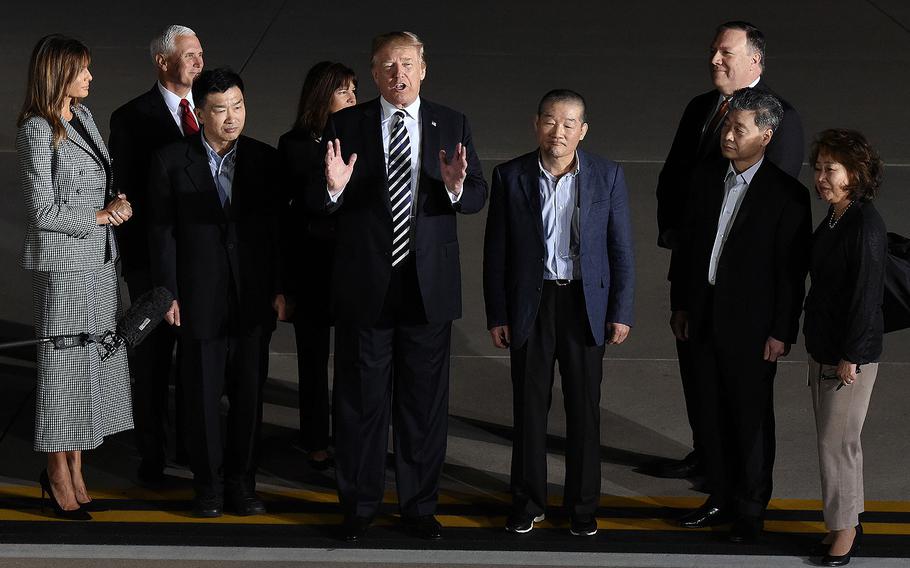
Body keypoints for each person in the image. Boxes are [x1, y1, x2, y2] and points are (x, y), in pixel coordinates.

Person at [312, 31, 488, 542]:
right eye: (388, 67)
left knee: (423, 407)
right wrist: (333, 189)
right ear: (373, 73)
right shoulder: (346, 123)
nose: (398, 75)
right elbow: (319, 205)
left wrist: (455, 184)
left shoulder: (450, 123)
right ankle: (359, 506)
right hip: (366, 287)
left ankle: (418, 505)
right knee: (361, 404)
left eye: (407, 65)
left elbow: (475, 194)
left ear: (424, 68)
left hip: (426, 286)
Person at [653, 20, 804, 480]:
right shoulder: (702, 106)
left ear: (754, 61)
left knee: (740, 398)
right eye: (713, 52)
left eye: (726, 53)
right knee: (699, 381)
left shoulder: (779, 117)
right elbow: (674, 178)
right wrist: (681, 263)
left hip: (740, 295)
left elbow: (769, 215)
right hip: (698, 272)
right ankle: (708, 458)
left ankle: (738, 489)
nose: (714, 61)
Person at [483, 89, 634, 537]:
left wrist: (621, 310)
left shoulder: (607, 175)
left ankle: (582, 506)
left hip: (585, 303)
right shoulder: (510, 176)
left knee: (584, 409)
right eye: (550, 121)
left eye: (569, 123)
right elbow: (496, 254)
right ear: (536, 124)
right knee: (529, 407)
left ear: (583, 131)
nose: (559, 131)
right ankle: (528, 501)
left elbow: (621, 249)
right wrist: (498, 314)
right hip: (532, 301)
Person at [670, 88, 811, 542]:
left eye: (739, 129)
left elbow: (792, 274)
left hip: (753, 329)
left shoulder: (787, 196)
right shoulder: (707, 177)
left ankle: (750, 509)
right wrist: (682, 305)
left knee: (749, 421)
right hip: (704, 316)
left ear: (766, 136)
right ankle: (720, 497)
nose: (728, 135)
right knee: (710, 414)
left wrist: (781, 331)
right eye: (727, 126)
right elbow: (689, 248)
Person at [147, 67, 283, 518]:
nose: (232, 118)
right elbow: (161, 235)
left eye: (238, 106)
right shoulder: (170, 160)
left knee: (248, 399)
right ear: (200, 113)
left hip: (252, 300)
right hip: (198, 299)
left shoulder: (265, 160)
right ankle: (206, 487)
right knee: (201, 399)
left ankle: (242, 485)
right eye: (220, 109)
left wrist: (280, 289)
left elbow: (278, 236)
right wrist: (168, 293)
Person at [17, 34, 134, 520]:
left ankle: (77, 470)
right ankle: (56, 473)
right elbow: (41, 208)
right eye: (82, 69)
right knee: (62, 373)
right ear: (59, 73)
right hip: (64, 270)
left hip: (99, 265)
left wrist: (116, 206)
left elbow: (97, 182)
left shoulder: (81, 118)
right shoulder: (36, 129)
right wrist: (101, 216)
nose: (90, 77)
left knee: (90, 368)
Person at [109, 23, 204, 485]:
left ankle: (190, 446)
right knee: (152, 363)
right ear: (162, 62)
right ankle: (152, 454)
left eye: (200, 53)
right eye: (189, 54)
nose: (198, 61)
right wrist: (145, 271)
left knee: (196, 359)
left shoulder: (209, 110)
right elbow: (127, 194)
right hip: (152, 262)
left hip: (201, 261)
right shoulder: (131, 118)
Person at [803, 129, 886, 566]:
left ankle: (845, 532)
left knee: (838, 444)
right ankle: (847, 519)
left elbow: (866, 298)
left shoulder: (864, 225)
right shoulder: (836, 215)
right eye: (817, 168)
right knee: (834, 442)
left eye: (830, 169)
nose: (820, 177)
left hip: (847, 357)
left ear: (855, 173)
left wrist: (851, 356)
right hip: (826, 347)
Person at [277, 61, 357, 470]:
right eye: (344, 91)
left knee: (350, 361)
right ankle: (315, 439)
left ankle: (347, 437)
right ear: (323, 94)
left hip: (349, 269)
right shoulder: (293, 144)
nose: (353, 99)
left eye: (354, 91)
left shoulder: (360, 138)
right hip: (310, 268)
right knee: (311, 361)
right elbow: (287, 221)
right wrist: (284, 287)